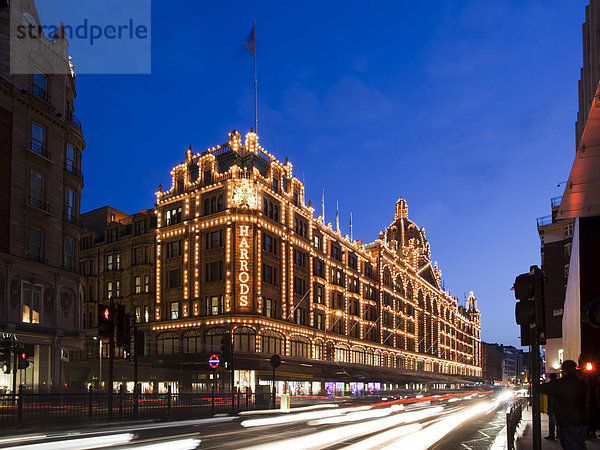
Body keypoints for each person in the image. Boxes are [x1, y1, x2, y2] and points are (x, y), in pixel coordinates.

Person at [539, 360, 588, 450]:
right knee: (581, 445)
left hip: (568, 420)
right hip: (582, 420)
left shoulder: (562, 383)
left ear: (564, 370)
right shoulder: (581, 382)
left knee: (571, 445)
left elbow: (543, 388)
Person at [545, 373, 558, 441]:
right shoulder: (559, 384)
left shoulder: (550, 385)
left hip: (552, 406)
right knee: (558, 421)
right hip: (559, 406)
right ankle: (558, 434)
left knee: (551, 421)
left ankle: (551, 435)